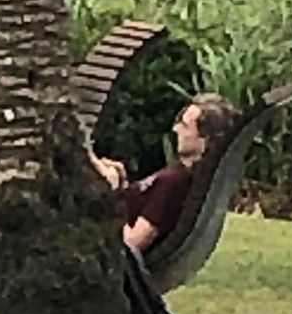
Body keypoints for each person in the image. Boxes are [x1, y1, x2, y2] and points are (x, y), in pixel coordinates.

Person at [91, 93, 236, 256]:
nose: (176, 129)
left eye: (185, 125)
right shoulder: (185, 179)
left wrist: (111, 196)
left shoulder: (174, 183)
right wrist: (121, 183)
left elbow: (132, 244)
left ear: (205, 139)